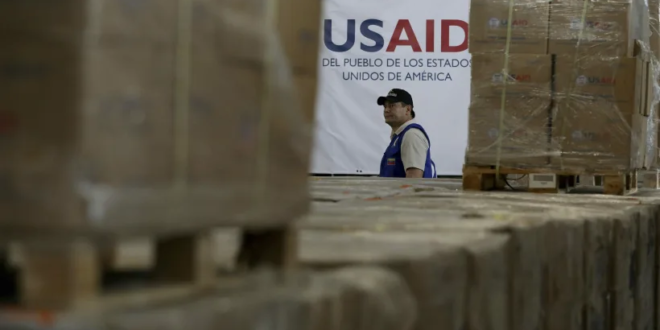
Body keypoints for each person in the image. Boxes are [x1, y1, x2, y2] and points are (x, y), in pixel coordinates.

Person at [377, 88, 436, 178]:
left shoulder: (411, 135)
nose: (386, 110)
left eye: (392, 106)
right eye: (385, 106)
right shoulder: (401, 136)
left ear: (408, 109)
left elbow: (414, 181)